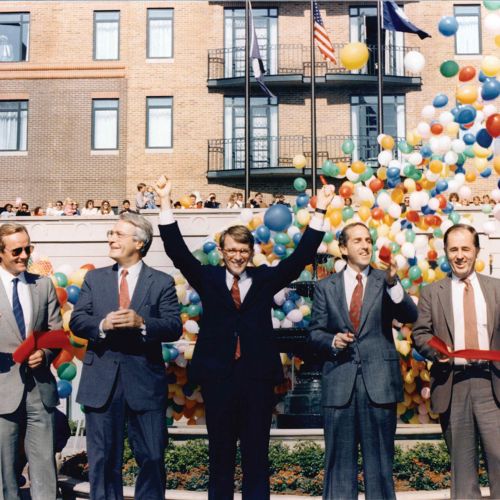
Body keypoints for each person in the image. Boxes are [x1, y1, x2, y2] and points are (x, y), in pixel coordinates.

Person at [155, 174, 334, 499]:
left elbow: (300, 257)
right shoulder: (207, 278)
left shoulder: (265, 279)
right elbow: (178, 252)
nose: (237, 256)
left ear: (251, 253)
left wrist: (320, 209)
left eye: (243, 251)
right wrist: (165, 201)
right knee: (220, 459)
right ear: (221, 251)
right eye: (231, 250)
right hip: (218, 380)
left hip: (257, 381)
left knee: (256, 459)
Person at [69, 212, 182, 500]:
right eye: (111, 233)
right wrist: (102, 325)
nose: (111, 239)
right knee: (104, 461)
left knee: (153, 457)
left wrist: (142, 323)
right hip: (101, 383)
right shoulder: (95, 279)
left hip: (145, 383)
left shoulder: (161, 281)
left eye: (118, 234)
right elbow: (78, 320)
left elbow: (173, 325)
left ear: (139, 243)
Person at [308, 222, 418, 500]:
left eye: (368, 240)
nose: (365, 245)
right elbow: (315, 333)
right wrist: (332, 340)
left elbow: (409, 315)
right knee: (338, 469)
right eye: (357, 241)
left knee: (380, 467)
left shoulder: (385, 281)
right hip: (339, 385)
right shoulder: (325, 287)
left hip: (379, 386)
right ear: (343, 248)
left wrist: (393, 282)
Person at [412, 224, 500, 500]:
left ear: (476, 251)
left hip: (493, 385)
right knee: (462, 472)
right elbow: (420, 334)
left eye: (465, 249)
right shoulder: (432, 292)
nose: (459, 255)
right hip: (453, 384)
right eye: (453, 250)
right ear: (446, 252)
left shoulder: (496, 288)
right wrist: (435, 351)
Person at [0, 222, 62, 500]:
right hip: (3, 392)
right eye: (17, 251)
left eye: (28, 248)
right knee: (5, 473)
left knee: (45, 468)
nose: (24, 255)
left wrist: (45, 353)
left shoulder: (43, 285)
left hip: (40, 390)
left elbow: (56, 332)